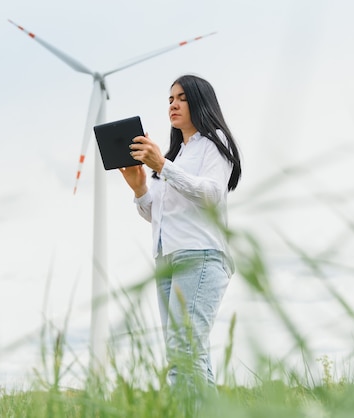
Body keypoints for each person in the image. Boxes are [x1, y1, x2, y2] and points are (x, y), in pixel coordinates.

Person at [120, 74, 242, 393]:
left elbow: (212, 195)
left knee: (184, 354)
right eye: (170, 99)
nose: (173, 104)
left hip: (199, 255)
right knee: (188, 355)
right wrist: (140, 187)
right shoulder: (177, 157)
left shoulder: (214, 142)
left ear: (201, 102)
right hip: (168, 261)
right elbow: (157, 215)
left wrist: (161, 165)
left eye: (182, 98)